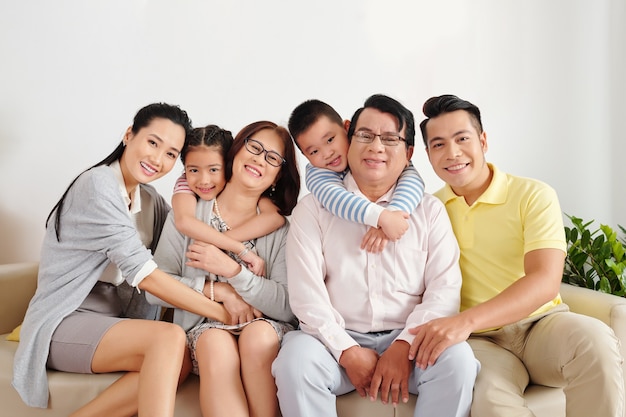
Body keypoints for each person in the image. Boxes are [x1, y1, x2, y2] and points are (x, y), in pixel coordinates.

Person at [12, 103, 233, 417]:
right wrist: (221, 311)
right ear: (129, 135)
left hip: (113, 320)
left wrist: (230, 281)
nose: (158, 159)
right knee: (169, 338)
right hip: (65, 319)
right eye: (153, 143)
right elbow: (147, 276)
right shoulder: (97, 186)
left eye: (171, 154)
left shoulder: (149, 199)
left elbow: (180, 249)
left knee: (181, 356)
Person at [414, 94, 624, 417]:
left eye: (462, 139)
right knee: (489, 401)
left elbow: (544, 281)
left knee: (594, 341)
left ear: (483, 141)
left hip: (542, 324)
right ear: (428, 155)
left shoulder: (533, 195)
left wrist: (463, 321)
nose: (452, 153)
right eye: (439, 144)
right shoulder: (429, 210)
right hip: (480, 343)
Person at [272, 94, 479, 417]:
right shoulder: (313, 209)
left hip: (411, 339)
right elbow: (306, 296)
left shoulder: (428, 210)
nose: (376, 147)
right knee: (295, 360)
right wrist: (347, 351)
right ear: (349, 138)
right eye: (365, 135)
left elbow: (444, 290)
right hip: (335, 339)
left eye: (390, 139)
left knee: (459, 360)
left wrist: (404, 345)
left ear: (409, 153)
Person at [147, 120, 300, 417]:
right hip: (204, 328)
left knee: (258, 338)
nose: (259, 158)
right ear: (235, 152)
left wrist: (234, 271)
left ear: (277, 176)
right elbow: (157, 287)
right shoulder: (188, 214)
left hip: (264, 327)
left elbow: (286, 306)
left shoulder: (279, 228)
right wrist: (219, 291)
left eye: (272, 157)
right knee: (215, 344)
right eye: (254, 147)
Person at [288, 99, 425, 252]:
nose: (327, 153)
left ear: (346, 128)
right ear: (305, 156)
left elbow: (413, 180)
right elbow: (336, 199)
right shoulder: (318, 175)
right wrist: (381, 218)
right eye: (314, 151)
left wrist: (395, 212)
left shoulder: (429, 210)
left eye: (330, 140)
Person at [169, 125, 285, 276]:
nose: (204, 180)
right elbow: (184, 221)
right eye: (255, 148)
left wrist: (219, 242)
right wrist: (240, 250)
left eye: (214, 169)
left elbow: (275, 218)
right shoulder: (186, 189)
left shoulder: (273, 218)